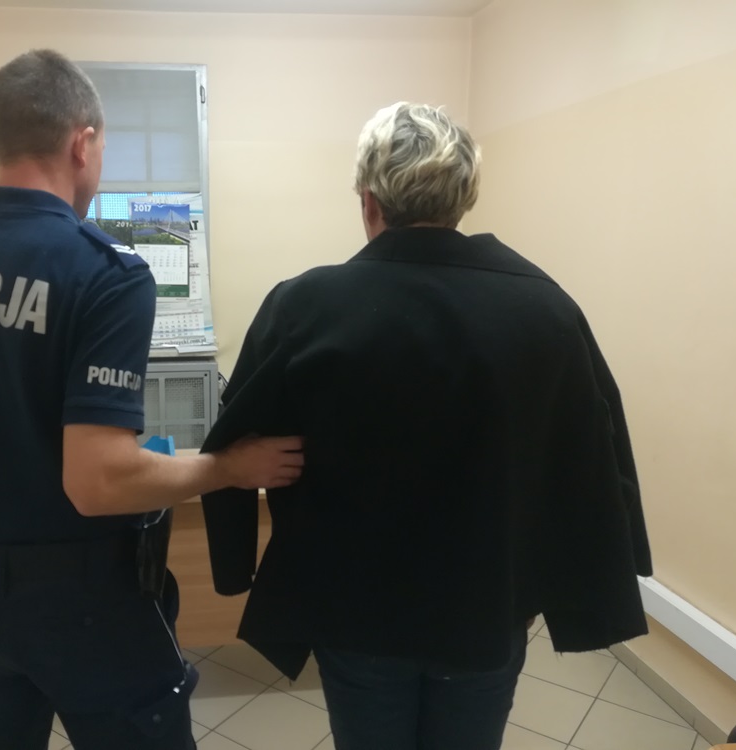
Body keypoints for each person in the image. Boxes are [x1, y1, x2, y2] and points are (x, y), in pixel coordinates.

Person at [0, 49, 303, 750]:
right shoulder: (104, 273)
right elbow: (99, 481)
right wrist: (228, 467)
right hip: (89, 605)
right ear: (83, 142)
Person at [199, 102, 651, 750]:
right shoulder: (546, 310)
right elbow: (593, 450)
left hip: (355, 608)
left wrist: (233, 567)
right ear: (463, 198)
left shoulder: (303, 306)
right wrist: (594, 571)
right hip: (488, 604)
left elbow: (232, 441)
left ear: (368, 201)